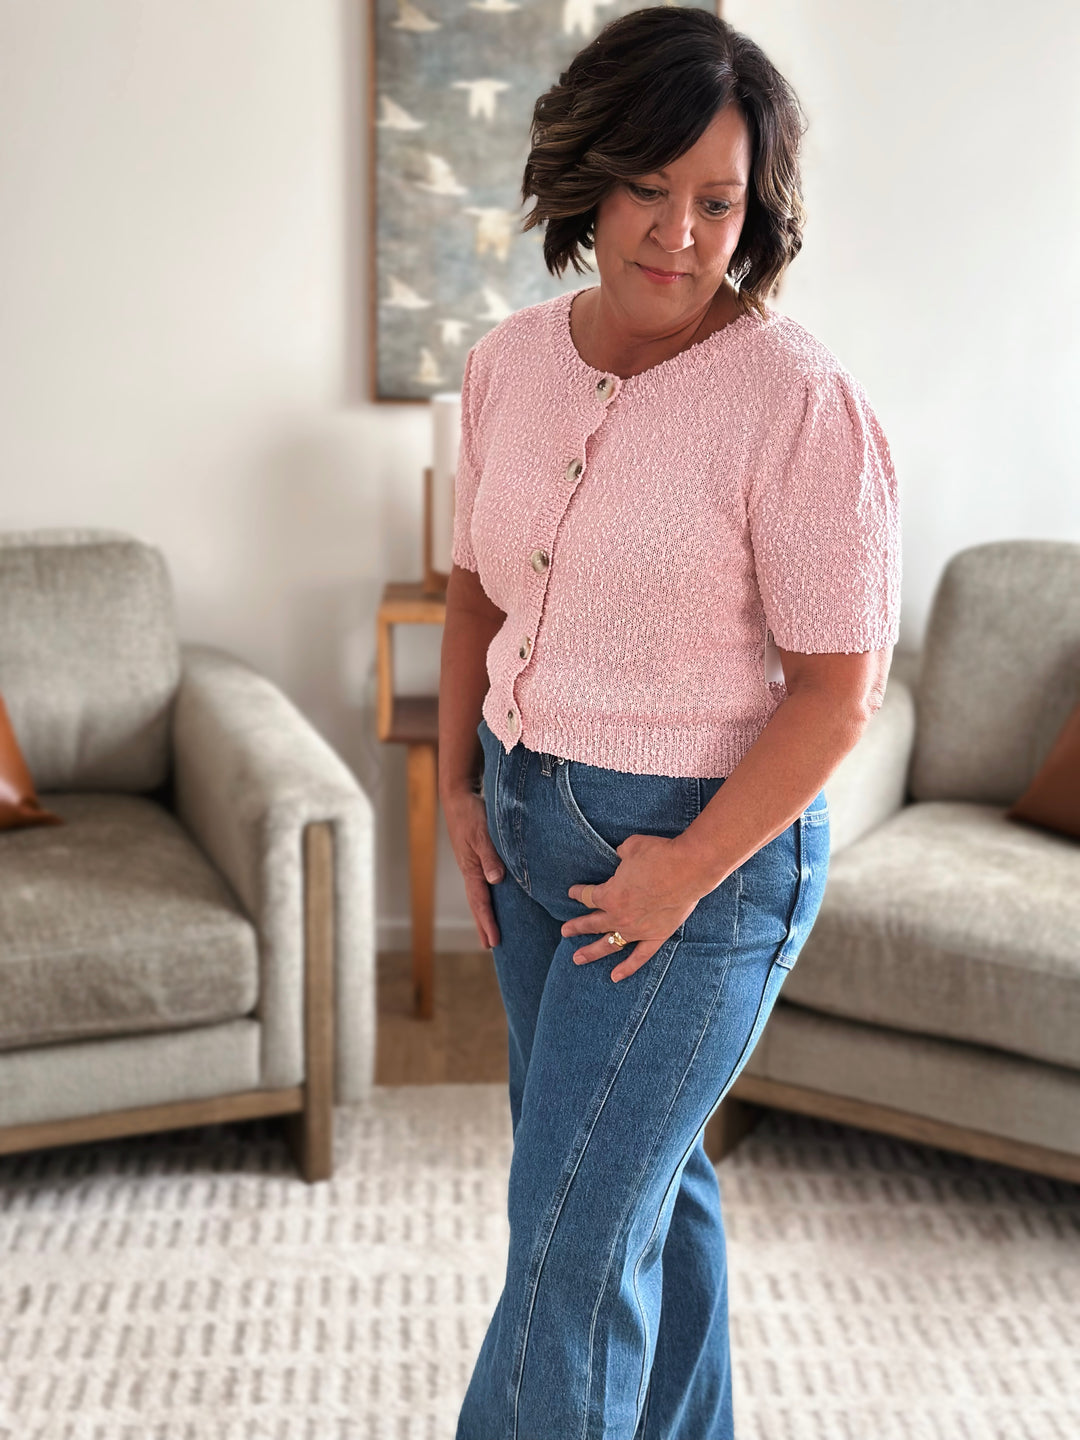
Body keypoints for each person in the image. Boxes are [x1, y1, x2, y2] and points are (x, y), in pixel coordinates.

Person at [438, 7, 901, 1438]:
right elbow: (474, 588)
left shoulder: (797, 399)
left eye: (720, 201)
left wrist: (680, 871)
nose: (682, 233)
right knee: (636, 1188)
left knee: (569, 1239)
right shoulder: (512, 360)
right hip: (528, 819)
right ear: (591, 173)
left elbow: (839, 695)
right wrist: (461, 783)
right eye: (653, 187)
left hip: (701, 861)